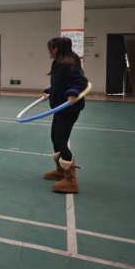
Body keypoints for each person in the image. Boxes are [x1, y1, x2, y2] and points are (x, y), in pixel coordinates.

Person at [43, 37, 89, 194]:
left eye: (49, 49)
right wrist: (50, 92)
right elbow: (59, 84)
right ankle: (61, 170)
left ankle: (71, 180)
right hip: (59, 108)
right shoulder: (58, 64)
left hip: (69, 110)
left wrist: (73, 94)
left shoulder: (68, 65)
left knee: (61, 141)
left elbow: (81, 82)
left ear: (55, 50)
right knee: (54, 138)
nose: (48, 52)